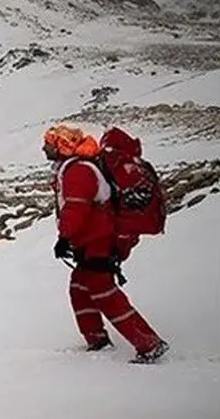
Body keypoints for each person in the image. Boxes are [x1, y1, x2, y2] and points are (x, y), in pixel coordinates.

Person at [44, 124, 168, 364]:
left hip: (99, 240)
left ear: (61, 145)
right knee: (80, 287)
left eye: (49, 143)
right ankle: (96, 340)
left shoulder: (78, 171)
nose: (44, 148)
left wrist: (64, 237)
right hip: (93, 239)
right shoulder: (76, 167)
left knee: (102, 290)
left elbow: (76, 208)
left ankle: (148, 343)